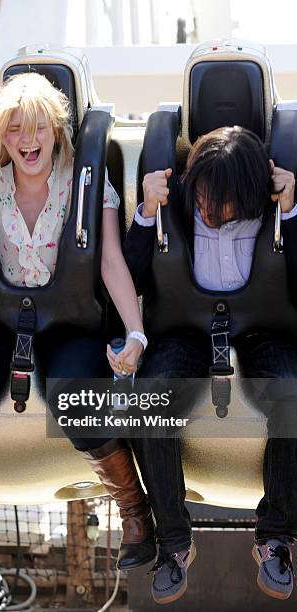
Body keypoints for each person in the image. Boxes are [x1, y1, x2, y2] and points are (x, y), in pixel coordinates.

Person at [0, 72, 155, 577]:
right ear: (2, 136)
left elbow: (110, 262)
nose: (28, 141)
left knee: (75, 396)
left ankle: (134, 512)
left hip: (67, 320)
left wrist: (134, 331)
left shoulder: (85, 185)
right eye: (15, 129)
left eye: (38, 128)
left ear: (57, 131)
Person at [123, 126, 297, 604]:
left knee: (293, 396)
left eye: (219, 201)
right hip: (185, 328)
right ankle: (175, 543)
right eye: (200, 193)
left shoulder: (272, 207)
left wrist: (291, 213)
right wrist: (146, 213)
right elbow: (130, 277)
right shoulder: (179, 204)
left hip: (264, 327)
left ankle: (276, 537)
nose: (206, 207)